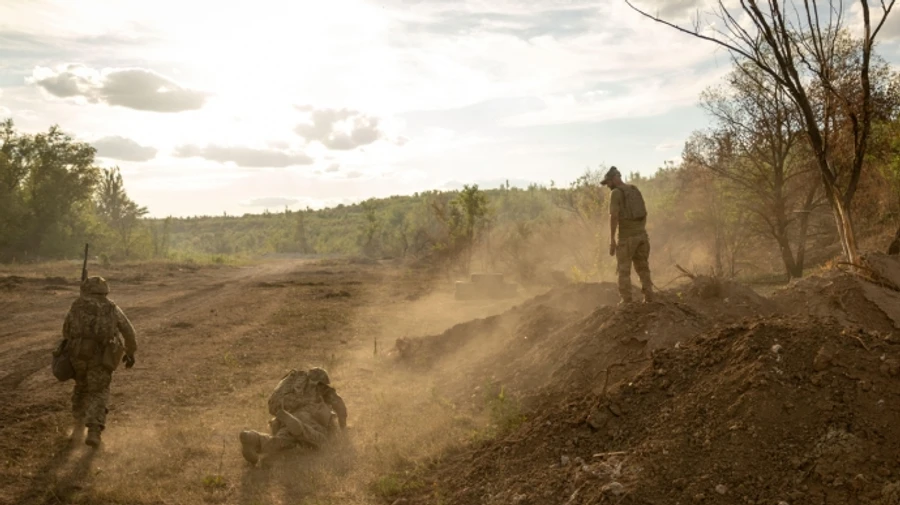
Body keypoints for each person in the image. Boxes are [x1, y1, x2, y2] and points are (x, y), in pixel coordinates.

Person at [62, 276, 137, 447]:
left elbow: (66, 331)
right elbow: (129, 332)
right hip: (102, 357)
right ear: (105, 289)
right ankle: (94, 431)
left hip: (78, 356)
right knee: (99, 390)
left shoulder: (76, 305)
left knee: (81, 387)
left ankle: (78, 428)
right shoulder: (112, 308)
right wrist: (130, 352)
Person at [239, 367, 348, 465]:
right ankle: (300, 428)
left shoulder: (295, 384)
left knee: (284, 440)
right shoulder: (323, 389)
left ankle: (255, 438)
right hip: (307, 421)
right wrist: (343, 426)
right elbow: (340, 406)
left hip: (283, 420)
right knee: (322, 440)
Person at [601, 166, 654, 304]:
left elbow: (614, 216)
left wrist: (612, 239)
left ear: (614, 179)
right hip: (642, 236)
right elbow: (644, 212)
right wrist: (640, 231)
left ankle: (626, 301)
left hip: (627, 238)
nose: (608, 186)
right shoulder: (634, 190)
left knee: (623, 270)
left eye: (608, 183)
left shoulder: (616, 193)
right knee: (643, 267)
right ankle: (649, 297)